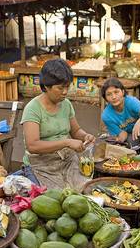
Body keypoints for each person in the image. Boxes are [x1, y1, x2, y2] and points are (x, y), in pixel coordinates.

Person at [20, 58, 95, 191]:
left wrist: (85, 136)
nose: (65, 92)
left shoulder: (66, 104)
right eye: (60, 88)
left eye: (67, 86)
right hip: (41, 165)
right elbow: (32, 146)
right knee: (58, 199)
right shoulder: (33, 109)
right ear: (46, 86)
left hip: (66, 160)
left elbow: (76, 131)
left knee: (85, 190)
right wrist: (66, 142)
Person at [100, 77, 140, 143]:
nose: (114, 97)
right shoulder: (106, 116)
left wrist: (139, 123)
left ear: (123, 92)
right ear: (106, 98)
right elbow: (122, 134)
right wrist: (118, 140)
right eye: (109, 94)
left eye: (116, 92)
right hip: (133, 134)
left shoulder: (130, 101)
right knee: (134, 145)